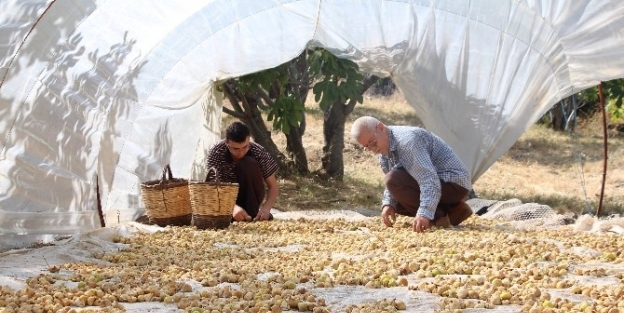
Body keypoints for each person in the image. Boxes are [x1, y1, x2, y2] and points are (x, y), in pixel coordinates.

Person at [350, 116, 473, 232]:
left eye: (373, 142)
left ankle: (438, 219)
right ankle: (454, 211)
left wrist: (424, 214)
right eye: (367, 147)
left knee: (393, 180)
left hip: (453, 183)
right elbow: (394, 185)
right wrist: (388, 204)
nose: (373, 149)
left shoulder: (407, 142)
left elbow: (428, 179)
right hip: (438, 184)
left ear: (381, 128)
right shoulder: (384, 153)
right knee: (395, 199)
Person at [206, 121, 279, 222]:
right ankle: (234, 214)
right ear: (226, 142)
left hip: (251, 195)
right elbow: (212, 187)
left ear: (249, 140)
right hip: (225, 197)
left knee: (248, 163)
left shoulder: (258, 151)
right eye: (236, 149)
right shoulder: (216, 152)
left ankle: (252, 213)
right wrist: (232, 207)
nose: (241, 152)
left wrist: (266, 209)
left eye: (245, 147)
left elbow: (273, 186)